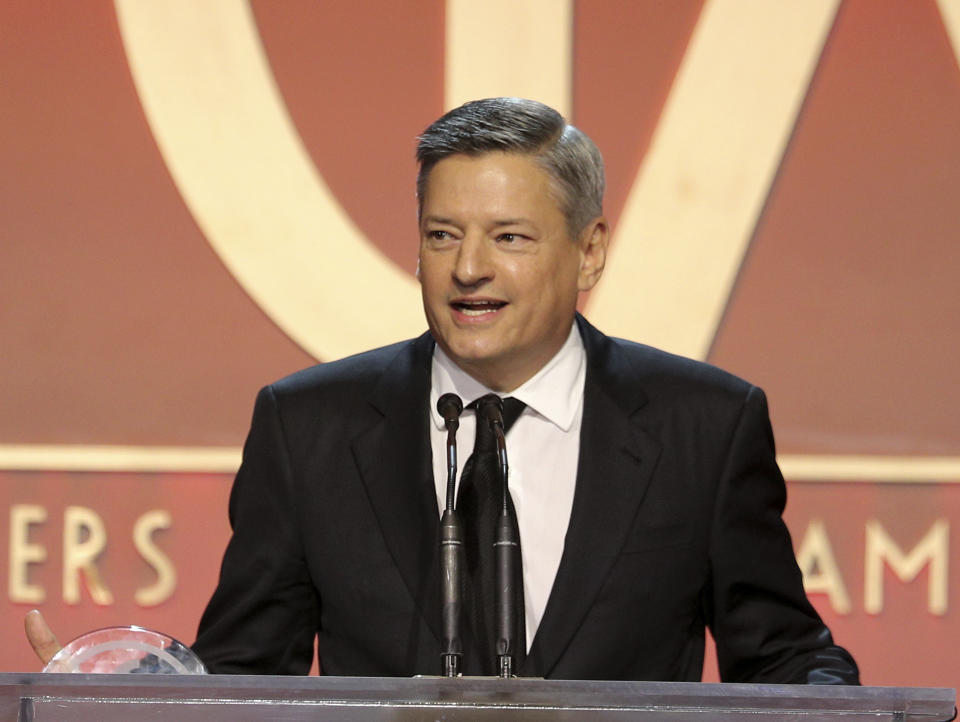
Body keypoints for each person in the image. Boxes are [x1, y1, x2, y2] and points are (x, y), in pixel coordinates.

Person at [27, 98, 858, 683]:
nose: (468, 269)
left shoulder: (703, 428)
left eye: (509, 237)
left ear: (590, 250)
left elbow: (785, 657)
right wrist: (131, 694)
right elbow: (250, 676)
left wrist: (837, 708)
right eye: (442, 235)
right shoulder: (309, 426)